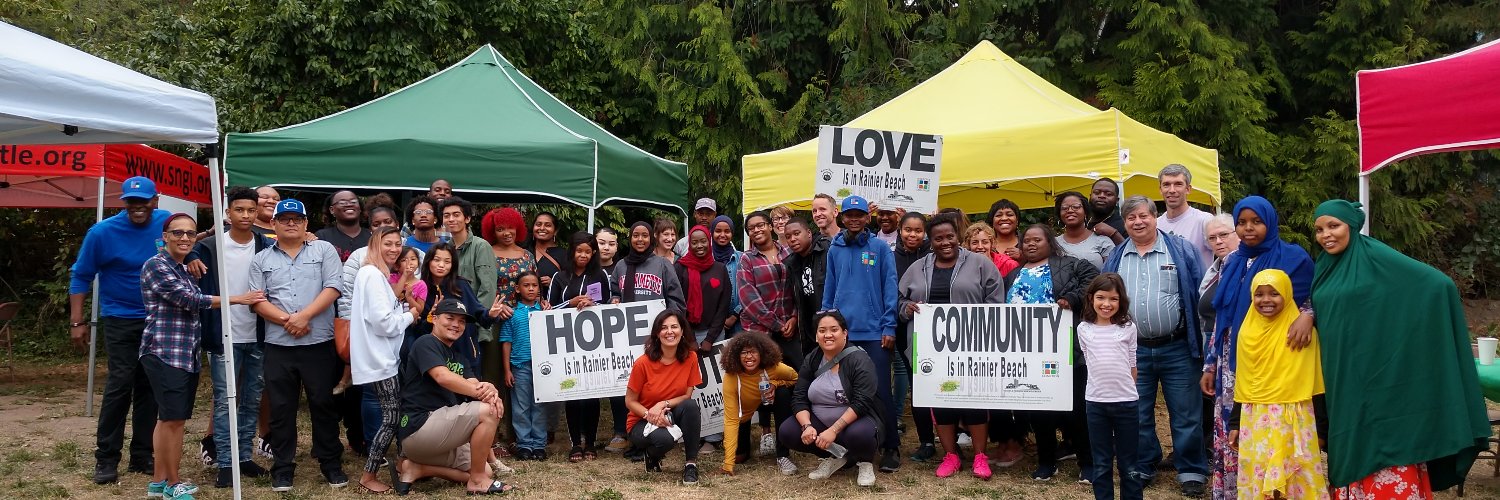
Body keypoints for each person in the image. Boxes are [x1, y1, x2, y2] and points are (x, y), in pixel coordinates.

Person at [1309, 200, 1489, 496]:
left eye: (1333, 226)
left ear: (1351, 227)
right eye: (1319, 229)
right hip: (1341, 374)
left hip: (1378, 374)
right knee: (1348, 435)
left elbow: (1436, 284)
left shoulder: (1376, 256)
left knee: (1382, 432)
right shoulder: (1325, 266)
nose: (1326, 234)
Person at [141, 213, 264, 500]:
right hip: (164, 352)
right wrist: (238, 298)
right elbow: (189, 300)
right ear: (165, 236)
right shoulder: (157, 265)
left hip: (186, 354)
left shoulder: (184, 267)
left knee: (168, 419)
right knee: (174, 421)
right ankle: (173, 484)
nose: (184, 238)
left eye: (190, 233)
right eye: (177, 233)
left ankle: (158, 482)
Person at [70, 176, 182, 483]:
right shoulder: (102, 233)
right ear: (124, 203)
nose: (138, 208)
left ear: (155, 200)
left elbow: (186, 246)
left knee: (149, 387)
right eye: (131, 202)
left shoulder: (165, 223)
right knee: (120, 385)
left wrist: (195, 259)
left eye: (143, 201)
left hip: (159, 318)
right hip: (121, 318)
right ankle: (106, 458)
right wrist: (77, 321)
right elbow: (81, 276)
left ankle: (142, 455)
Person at [1201, 197, 1313, 500]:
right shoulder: (1233, 260)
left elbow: (1312, 299)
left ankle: (1275, 489)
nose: (1248, 228)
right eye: (1242, 222)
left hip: (1274, 359)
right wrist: (1210, 365)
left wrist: (1309, 314)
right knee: (1234, 428)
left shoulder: (1293, 258)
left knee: (1271, 430)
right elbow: (1221, 316)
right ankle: (1239, 491)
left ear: (1270, 222)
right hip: (1231, 358)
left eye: (1256, 221)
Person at [1101, 195, 1207, 497]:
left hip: (1177, 346)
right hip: (1133, 349)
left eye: (1143, 216)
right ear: (1126, 222)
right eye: (1131, 217)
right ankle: (1145, 463)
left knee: (1186, 413)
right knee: (1137, 412)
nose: (1138, 222)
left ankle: (1191, 469)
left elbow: (1197, 293)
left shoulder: (1180, 249)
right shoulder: (1117, 255)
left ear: (1154, 216)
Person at [249, 198, 350, 491]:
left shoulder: (324, 250)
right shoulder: (262, 259)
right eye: (284, 219)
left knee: (323, 405)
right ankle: (283, 468)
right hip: (279, 346)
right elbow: (257, 301)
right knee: (281, 409)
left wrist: (303, 317)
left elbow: (333, 287)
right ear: (273, 224)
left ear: (306, 223)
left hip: (318, 343)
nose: (290, 223)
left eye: (297, 218)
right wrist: (287, 321)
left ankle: (331, 464)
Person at [897, 213, 1004, 480]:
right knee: (939, 399)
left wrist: (980, 325)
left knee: (973, 399)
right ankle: (951, 455)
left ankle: (980, 455)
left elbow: (996, 302)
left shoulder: (981, 264)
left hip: (971, 345)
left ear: (958, 236)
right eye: (938, 238)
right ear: (929, 241)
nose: (945, 242)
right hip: (931, 349)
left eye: (949, 236)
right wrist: (907, 308)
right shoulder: (917, 268)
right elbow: (898, 301)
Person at [1005, 224, 1099, 482]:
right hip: (1027, 353)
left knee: (1077, 409)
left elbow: (1094, 282)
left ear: (1050, 242)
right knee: (1039, 409)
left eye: (1037, 240)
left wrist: (1072, 297)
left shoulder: (1070, 264)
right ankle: (1047, 460)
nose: (1031, 244)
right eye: (1026, 241)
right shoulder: (1013, 275)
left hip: (1067, 350)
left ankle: (1087, 462)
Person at [194, 186, 274, 487]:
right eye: (239, 210)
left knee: (252, 399)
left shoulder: (264, 245)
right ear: (227, 213)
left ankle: (243, 457)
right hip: (223, 335)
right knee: (226, 399)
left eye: (250, 210)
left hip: (257, 334)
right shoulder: (211, 247)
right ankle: (225, 463)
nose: (245, 215)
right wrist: (192, 251)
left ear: (257, 213)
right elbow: (178, 255)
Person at [392, 299, 515, 496]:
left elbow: (476, 385)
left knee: (485, 468)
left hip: (440, 435)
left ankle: (417, 468)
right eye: (450, 318)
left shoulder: (458, 356)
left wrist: (492, 393)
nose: (456, 325)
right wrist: (484, 397)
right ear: (434, 319)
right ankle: (477, 482)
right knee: (487, 412)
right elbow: (442, 377)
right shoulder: (426, 342)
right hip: (419, 428)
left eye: (461, 321)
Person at [1226, 269, 1329, 500]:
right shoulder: (1247, 332)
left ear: (1287, 293)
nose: (1266, 300)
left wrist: (1321, 429)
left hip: (1295, 419)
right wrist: (1235, 422)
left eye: (1274, 293)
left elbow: (1314, 382)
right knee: (1260, 479)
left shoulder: (1302, 332)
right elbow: (1243, 381)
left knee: (1296, 480)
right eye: (1259, 294)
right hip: (1256, 418)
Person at [819, 195, 901, 472]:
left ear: (868, 218)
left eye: (860, 214)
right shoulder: (835, 248)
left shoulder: (880, 248)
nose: (854, 219)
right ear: (842, 217)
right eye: (849, 214)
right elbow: (829, 288)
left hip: (875, 332)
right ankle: (853, 449)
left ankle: (891, 446)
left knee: (880, 391)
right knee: (845, 392)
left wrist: (889, 325)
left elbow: (890, 288)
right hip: (843, 334)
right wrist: (826, 323)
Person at [349, 227, 421, 493]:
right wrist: (410, 316)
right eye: (387, 244)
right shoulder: (371, 275)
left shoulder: (375, 275)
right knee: (391, 418)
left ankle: (402, 463)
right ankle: (369, 475)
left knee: (393, 414)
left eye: (397, 245)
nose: (394, 249)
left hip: (381, 357)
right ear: (374, 245)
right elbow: (383, 324)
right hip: (378, 359)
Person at [778, 311, 882, 487]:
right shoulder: (812, 358)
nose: (828, 335)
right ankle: (836, 456)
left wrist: (833, 430)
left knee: (858, 435)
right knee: (787, 431)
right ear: (817, 336)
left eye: (834, 329)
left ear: (845, 333)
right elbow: (799, 397)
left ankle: (865, 462)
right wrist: (807, 426)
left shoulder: (859, 359)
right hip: (821, 420)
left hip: (856, 420)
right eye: (822, 330)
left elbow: (861, 402)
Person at [549, 232, 614, 461]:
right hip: (567, 345)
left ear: (593, 252)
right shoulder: (560, 277)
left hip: (594, 345)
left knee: (592, 394)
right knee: (573, 394)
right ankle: (576, 443)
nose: (583, 255)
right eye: (579, 251)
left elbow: (609, 306)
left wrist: (594, 305)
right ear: (571, 252)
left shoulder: (601, 275)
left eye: (588, 251)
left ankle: (591, 443)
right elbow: (548, 312)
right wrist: (571, 303)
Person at [1078, 273, 1143, 500]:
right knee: (1102, 463)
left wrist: (1126, 390)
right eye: (1101, 298)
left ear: (1121, 300)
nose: (1106, 304)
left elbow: (1132, 363)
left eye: (1113, 299)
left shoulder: (1128, 328)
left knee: (1129, 464)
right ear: (1091, 299)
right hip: (1096, 404)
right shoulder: (1084, 329)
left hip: (1126, 403)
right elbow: (1090, 360)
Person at [624, 310, 705, 485]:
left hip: (671, 412)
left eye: (674, 327)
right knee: (664, 440)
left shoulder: (691, 357)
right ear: (657, 333)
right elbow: (629, 401)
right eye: (664, 328)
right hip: (641, 421)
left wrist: (662, 404)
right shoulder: (643, 363)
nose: (670, 332)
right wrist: (650, 415)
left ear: (682, 331)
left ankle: (691, 464)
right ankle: (651, 455)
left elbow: (686, 395)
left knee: (691, 406)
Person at [1196, 212, 1237, 498]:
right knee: (1220, 418)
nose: (1218, 241)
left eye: (1224, 234)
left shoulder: (1239, 266)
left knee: (1234, 418)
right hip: (1215, 349)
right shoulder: (1216, 267)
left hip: (1236, 352)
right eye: (1212, 237)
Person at [719, 332, 798, 475]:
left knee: (783, 393)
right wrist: (728, 463)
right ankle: (748, 441)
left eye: (753, 351)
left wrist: (776, 383)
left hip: (770, 400)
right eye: (744, 352)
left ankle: (783, 455)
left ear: (762, 353)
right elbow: (730, 420)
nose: (749, 356)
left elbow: (796, 379)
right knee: (740, 457)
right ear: (736, 356)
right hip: (745, 413)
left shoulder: (775, 368)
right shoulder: (731, 377)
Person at [891, 212, 935, 463]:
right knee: (917, 387)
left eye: (918, 230)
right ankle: (926, 440)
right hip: (904, 329)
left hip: (935, 330)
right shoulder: (891, 257)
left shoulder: (935, 255)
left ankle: (950, 438)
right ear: (900, 230)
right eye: (908, 229)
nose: (913, 234)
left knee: (938, 386)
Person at [480, 207, 532, 408]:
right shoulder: (486, 252)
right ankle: (493, 425)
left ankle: (514, 431)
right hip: (496, 319)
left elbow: (533, 284)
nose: (507, 233)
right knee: (493, 371)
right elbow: (482, 284)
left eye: (511, 228)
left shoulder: (526, 255)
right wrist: (497, 307)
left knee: (518, 372)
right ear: (493, 231)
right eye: (501, 229)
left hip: (521, 321)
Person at [499, 272, 552, 461]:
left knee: (539, 405)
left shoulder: (545, 312)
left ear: (539, 288)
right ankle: (524, 444)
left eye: (534, 285)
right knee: (521, 406)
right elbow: (506, 341)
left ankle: (539, 444)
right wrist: (507, 370)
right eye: (526, 285)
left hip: (543, 366)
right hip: (519, 366)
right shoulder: (512, 314)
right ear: (517, 289)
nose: (531, 289)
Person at [737, 211, 795, 361]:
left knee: (795, 375)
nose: (756, 230)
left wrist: (795, 317)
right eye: (751, 228)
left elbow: (797, 289)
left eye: (760, 225)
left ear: (770, 226)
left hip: (790, 328)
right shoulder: (747, 259)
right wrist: (776, 324)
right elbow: (749, 300)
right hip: (760, 331)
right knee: (765, 379)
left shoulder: (788, 252)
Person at [676, 225, 732, 358]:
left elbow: (723, 305)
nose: (699, 246)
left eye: (703, 241)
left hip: (716, 333)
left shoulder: (720, 269)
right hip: (686, 333)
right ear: (689, 244)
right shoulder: (680, 268)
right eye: (694, 243)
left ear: (709, 241)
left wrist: (710, 338)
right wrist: (690, 338)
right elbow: (677, 304)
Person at [783, 218, 830, 363]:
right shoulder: (791, 263)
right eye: (788, 237)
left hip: (830, 322)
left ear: (809, 233)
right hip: (808, 329)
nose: (793, 239)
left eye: (797, 233)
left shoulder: (827, 249)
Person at [613, 222, 687, 311]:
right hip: (628, 322)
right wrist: (614, 300)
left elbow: (676, 299)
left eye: (645, 236)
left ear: (651, 238)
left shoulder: (663, 264)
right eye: (635, 236)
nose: (640, 239)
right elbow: (614, 293)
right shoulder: (621, 265)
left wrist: (673, 319)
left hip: (658, 322)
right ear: (630, 238)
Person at [442, 197, 497, 312]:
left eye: (456, 215)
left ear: (467, 219)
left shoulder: (481, 246)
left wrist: (479, 316)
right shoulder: (445, 249)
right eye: (446, 216)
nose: (451, 219)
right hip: (451, 315)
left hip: (474, 319)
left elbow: (487, 288)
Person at [1155, 164, 1214, 270]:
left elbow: (1227, 254)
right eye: (1166, 185)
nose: (1172, 190)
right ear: (1160, 190)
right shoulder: (1155, 224)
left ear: (1188, 189)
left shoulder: (1204, 221)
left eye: (1178, 184)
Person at [1056, 191, 1116, 270]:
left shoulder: (1103, 241)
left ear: (1085, 212)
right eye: (1064, 208)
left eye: (1076, 207)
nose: (1070, 210)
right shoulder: (1053, 244)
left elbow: (1112, 274)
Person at [316, 190, 371, 263]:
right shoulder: (321, 237)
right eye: (342, 203)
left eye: (353, 202)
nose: (349, 205)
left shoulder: (372, 236)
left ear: (360, 207)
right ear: (332, 210)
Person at [711, 215, 742, 336]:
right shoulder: (706, 259)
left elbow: (749, 289)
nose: (722, 235)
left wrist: (734, 316)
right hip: (712, 323)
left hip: (739, 321)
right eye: (718, 231)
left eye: (727, 231)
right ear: (712, 232)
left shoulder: (742, 258)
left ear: (732, 233)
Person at [524, 211, 568, 296]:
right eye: (538, 224)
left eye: (547, 225)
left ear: (555, 231)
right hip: (523, 306)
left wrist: (554, 283)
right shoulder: (523, 251)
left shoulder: (564, 255)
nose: (542, 228)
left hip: (551, 306)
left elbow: (572, 285)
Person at [1088, 178, 1126, 244]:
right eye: (1097, 193)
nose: (1101, 196)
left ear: (1117, 200)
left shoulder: (1125, 225)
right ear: (1090, 196)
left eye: (1108, 194)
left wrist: (1114, 234)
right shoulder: (1080, 222)